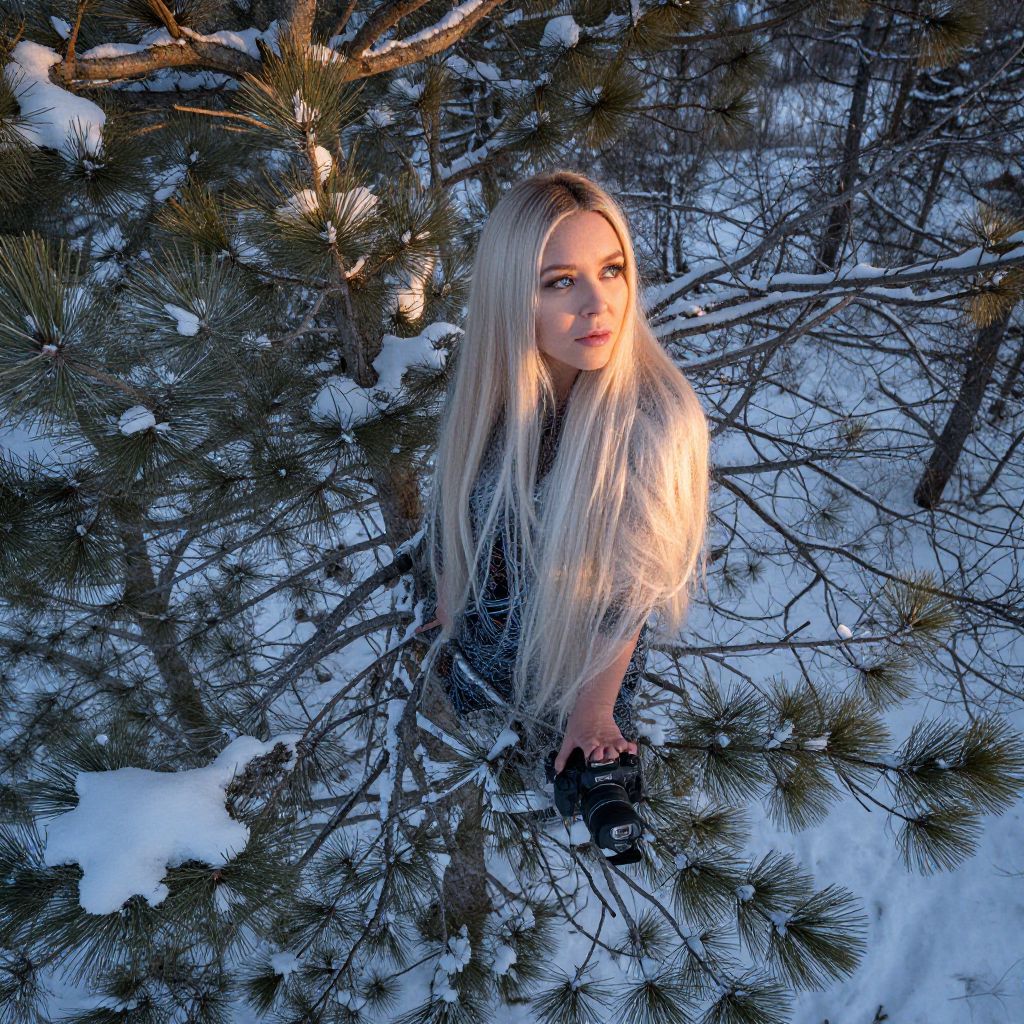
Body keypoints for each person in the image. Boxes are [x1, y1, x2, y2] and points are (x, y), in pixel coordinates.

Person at [414, 169, 710, 780]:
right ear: (511, 296)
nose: (599, 304)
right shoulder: (494, 397)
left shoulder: (654, 421)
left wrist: (594, 713)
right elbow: (458, 500)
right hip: (470, 684)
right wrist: (447, 602)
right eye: (562, 282)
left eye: (612, 270)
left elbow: (628, 596)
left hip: (567, 708)